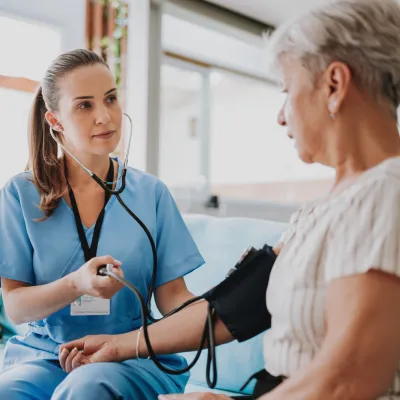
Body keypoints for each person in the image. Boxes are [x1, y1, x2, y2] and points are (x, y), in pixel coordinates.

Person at [60, 0, 400, 399]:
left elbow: (351, 378)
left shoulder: (385, 195)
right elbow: (236, 306)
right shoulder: (327, 208)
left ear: (334, 85)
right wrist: (120, 344)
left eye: (288, 90)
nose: (281, 116)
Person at [0, 49, 205, 399]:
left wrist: (218, 308)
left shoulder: (151, 194)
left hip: (130, 356)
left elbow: (173, 299)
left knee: (88, 386)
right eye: (85, 105)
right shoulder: (20, 193)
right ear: (55, 121)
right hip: (48, 355)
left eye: (110, 99)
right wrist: (76, 284)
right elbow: (16, 308)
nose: (105, 116)